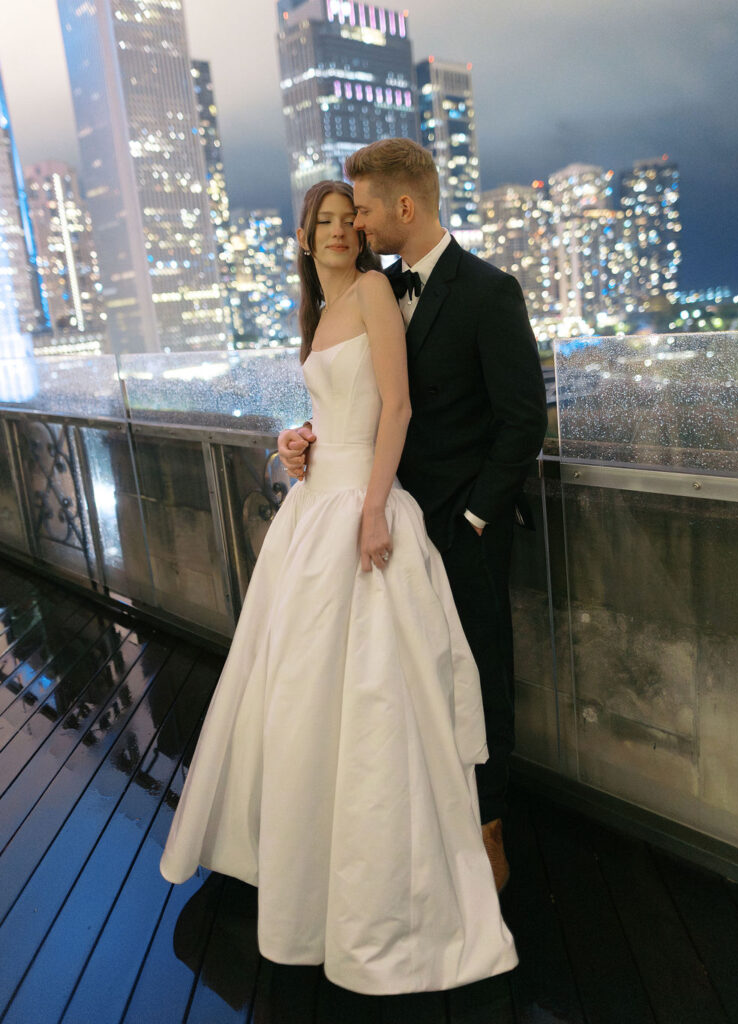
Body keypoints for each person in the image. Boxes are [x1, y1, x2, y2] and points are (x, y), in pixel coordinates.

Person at [160, 179, 519, 994]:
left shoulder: (373, 294)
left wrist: (370, 512)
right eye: (322, 223)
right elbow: (341, 409)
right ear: (302, 236)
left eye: (344, 222)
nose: (336, 233)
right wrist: (300, 441)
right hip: (316, 504)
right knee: (300, 693)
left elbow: (395, 408)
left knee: (378, 700)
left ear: (360, 234)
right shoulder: (318, 316)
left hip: (361, 509)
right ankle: (301, 863)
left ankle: (386, 885)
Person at [279, 140, 548, 892]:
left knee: (481, 671)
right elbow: (364, 399)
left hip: (461, 530)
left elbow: (523, 421)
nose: (355, 225)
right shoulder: (373, 288)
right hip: (387, 523)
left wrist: (476, 520)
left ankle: (488, 824)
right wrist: (307, 438)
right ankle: (422, 815)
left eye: (361, 209)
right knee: (400, 679)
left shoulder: (491, 291)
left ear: (403, 206)